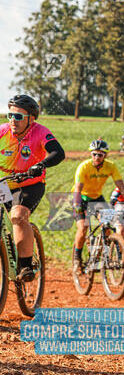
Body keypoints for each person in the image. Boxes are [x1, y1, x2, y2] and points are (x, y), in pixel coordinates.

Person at [0, 94, 65, 280]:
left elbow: (58, 153)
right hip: (5, 184)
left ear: (31, 118)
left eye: (18, 116)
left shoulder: (40, 132)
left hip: (30, 184)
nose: (13, 120)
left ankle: (26, 265)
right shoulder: (3, 131)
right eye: (10, 115)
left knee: (18, 216)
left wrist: (40, 165)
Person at [72, 139, 124, 271]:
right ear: (91, 154)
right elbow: (78, 189)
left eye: (100, 154)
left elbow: (121, 186)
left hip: (97, 198)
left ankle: (100, 256)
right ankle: (77, 258)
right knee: (83, 228)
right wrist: (77, 205)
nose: (97, 157)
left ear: (105, 155)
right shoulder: (84, 167)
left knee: (107, 225)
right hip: (80, 197)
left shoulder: (111, 166)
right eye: (94, 154)